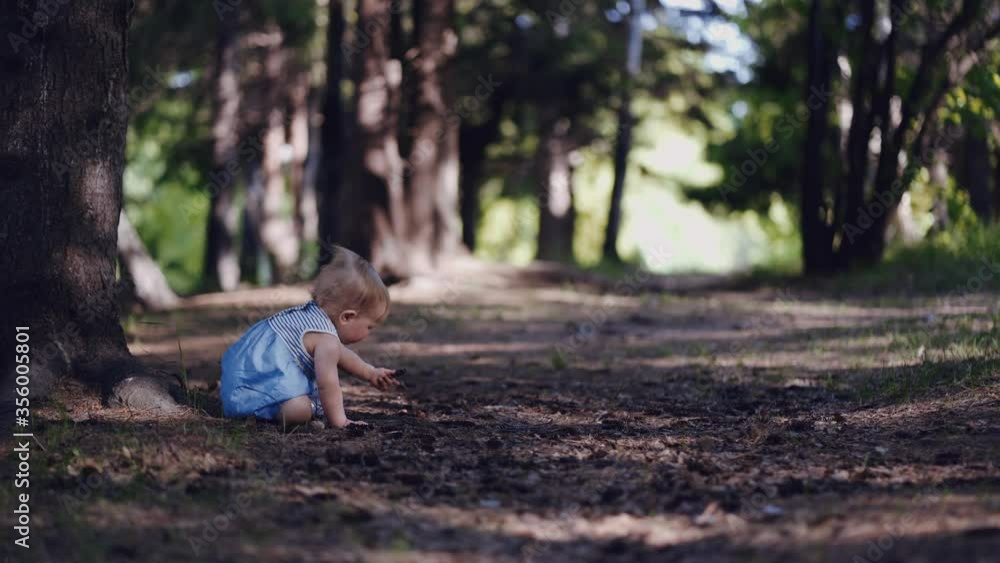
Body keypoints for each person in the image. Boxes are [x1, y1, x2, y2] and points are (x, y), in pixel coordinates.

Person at [221, 246, 399, 428]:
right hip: (258, 390)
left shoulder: (313, 318)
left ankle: (268, 407)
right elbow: (328, 385)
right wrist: (340, 421)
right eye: (369, 327)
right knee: (301, 409)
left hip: (240, 386)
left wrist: (371, 372)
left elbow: (344, 355)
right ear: (347, 317)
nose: (369, 333)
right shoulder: (326, 340)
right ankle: (270, 412)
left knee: (302, 402)